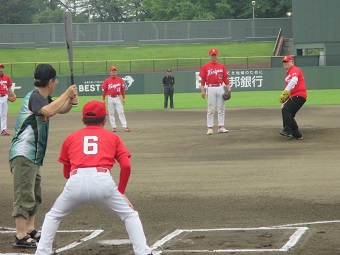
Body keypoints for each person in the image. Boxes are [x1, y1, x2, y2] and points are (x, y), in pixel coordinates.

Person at [35, 100, 152, 255]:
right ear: (105, 119)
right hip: (102, 180)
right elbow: (126, 166)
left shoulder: (71, 138)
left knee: (52, 216)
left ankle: (42, 252)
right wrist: (121, 191)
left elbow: (66, 173)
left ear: (83, 119)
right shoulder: (113, 137)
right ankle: (143, 252)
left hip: (76, 180)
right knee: (130, 215)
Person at [9, 64, 78, 248]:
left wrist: (70, 101)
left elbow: (58, 109)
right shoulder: (35, 97)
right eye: (55, 81)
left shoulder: (43, 98)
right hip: (23, 154)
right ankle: (21, 235)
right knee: (24, 194)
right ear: (50, 82)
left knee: (34, 193)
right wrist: (66, 94)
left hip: (34, 156)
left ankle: (30, 229)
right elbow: (48, 111)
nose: (56, 83)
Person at [199, 48, 231, 135]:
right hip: (210, 88)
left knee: (221, 108)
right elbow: (203, 80)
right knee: (211, 109)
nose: (214, 56)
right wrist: (202, 90)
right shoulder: (205, 67)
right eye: (212, 55)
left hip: (220, 87)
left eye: (215, 54)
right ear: (210, 55)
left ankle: (221, 127)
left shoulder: (221, 66)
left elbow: (225, 78)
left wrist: (228, 88)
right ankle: (210, 128)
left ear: (217, 55)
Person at [279, 55, 307, 140]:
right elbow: (291, 87)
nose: (285, 64)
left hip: (299, 95)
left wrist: (285, 91)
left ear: (292, 62)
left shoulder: (295, 69)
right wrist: (286, 99)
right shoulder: (288, 73)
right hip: (294, 96)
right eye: (284, 62)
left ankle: (292, 132)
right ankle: (291, 132)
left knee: (286, 110)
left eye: (287, 62)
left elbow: (294, 81)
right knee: (287, 111)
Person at [102, 65, 131, 132]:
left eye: (115, 70)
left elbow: (122, 89)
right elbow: (104, 90)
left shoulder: (120, 79)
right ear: (110, 72)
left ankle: (124, 126)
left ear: (117, 72)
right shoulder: (107, 80)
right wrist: (103, 99)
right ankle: (113, 127)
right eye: (112, 71)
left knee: (121, 112)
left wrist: (123, 98)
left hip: (117, 98)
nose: (114, 72)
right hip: (110, 98)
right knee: (111, 113)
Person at [0, 63, 16, 136]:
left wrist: (13, 94)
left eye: (2, 67)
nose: (1, 69)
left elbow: (9, 87)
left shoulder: (6, 77)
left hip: (5, 97)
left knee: (4, 114)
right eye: (0, 67)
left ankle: (3, 130)